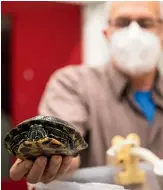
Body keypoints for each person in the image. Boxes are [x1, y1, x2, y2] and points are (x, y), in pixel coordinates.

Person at [10, 1, 163, 185]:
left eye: (146, 23)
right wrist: (53, 154)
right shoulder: (74, 84)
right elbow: (64, 142)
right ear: (107, 34)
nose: (134, 33)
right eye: (122, 22)